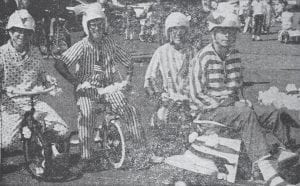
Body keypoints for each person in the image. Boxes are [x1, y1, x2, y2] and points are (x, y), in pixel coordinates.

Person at [189, 10, 300, 178]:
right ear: (213, 32)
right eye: (223, 31)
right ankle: (263, 163)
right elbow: (196, 94)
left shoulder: (235, 56)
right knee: (245, 113)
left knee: (271, 112)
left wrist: (242, 100)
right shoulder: (202, 57)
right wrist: (227, 103)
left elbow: (238, 86)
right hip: (208, 110)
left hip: (234, 108)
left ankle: (285, 151)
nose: (227, 35)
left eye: (231, 31)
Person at [55, 3, 143, 168]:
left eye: (100, 24)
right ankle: (86, 157)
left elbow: (127, 59)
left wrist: (129, 79)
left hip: (108, 88)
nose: (97, 28)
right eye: (93, 24)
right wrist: (76, 82)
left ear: (105, 25)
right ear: (87, 26)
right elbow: (60, 63)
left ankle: (140, 150)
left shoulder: (109, 43)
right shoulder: (82, 45)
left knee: (130, 110)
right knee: (87, 113)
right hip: (87, 89)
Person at [0, 10, 68, 173]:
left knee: (63, 131)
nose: (22, 35)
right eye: (18, 31)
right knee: (7, 143)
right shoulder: (1, 53)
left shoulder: (36, 52)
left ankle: (41, 144)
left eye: (27, 32)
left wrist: (49, 80)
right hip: (12, 102)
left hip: (34, 100)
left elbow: (43, 73)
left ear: (31, 34)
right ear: (10, 31)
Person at [144, 12, 197, 125]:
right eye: (174, 30)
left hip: (191, 101)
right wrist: (159, 95)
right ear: (168, 32)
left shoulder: (193, 51)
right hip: (169, 101)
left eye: (182, 29)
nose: (178, 34)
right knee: (165, 120)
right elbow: (149, 79)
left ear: (186, 32)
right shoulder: (161, 52)